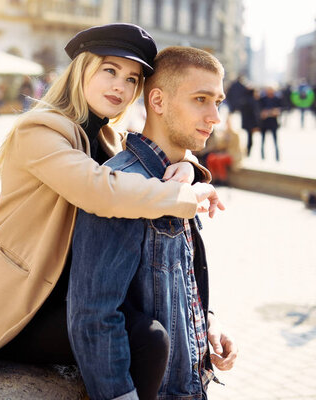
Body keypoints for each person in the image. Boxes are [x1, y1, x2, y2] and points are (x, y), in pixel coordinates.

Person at [0, 23, 224, 390]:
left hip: (72, 295)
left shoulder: (108, 137)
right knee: (146, 339)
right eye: (110, 70)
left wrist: (188, 168)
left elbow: (147, 158)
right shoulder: (39, 130)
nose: (121, 86)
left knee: (148, 329)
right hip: (24, 307)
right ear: (81, 70)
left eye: (133, 79)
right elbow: (97, 189)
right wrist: (183, 197)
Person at [68, 46, 238, 400]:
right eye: (201, 99)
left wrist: (207, 324)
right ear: (157, 102)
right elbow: (93, 316)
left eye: (217, 101)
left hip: (192, 384)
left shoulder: (180, 180)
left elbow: (171, 280)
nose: (215, 116)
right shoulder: (120, 185)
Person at [203, 117, 243, 185]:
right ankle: (214, 178)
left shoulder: (235, 134)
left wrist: (229, 140)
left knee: (219, 160)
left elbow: (235, 148)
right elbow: (220, 146)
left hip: (233, 155)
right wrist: (223, 139)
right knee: (211, 158)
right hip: (225, 153)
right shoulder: (225, 133)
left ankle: (222, 179)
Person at [258, 86, 282, 161]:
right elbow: (261, 112)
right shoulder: (262, 99)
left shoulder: (276, 99)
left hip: (273, 123)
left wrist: (271, 112)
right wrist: (270, 112)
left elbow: (279, 110)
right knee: (262, 140)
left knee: (275, 140)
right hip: (264, 123)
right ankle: (262, 156)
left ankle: (277, 156)